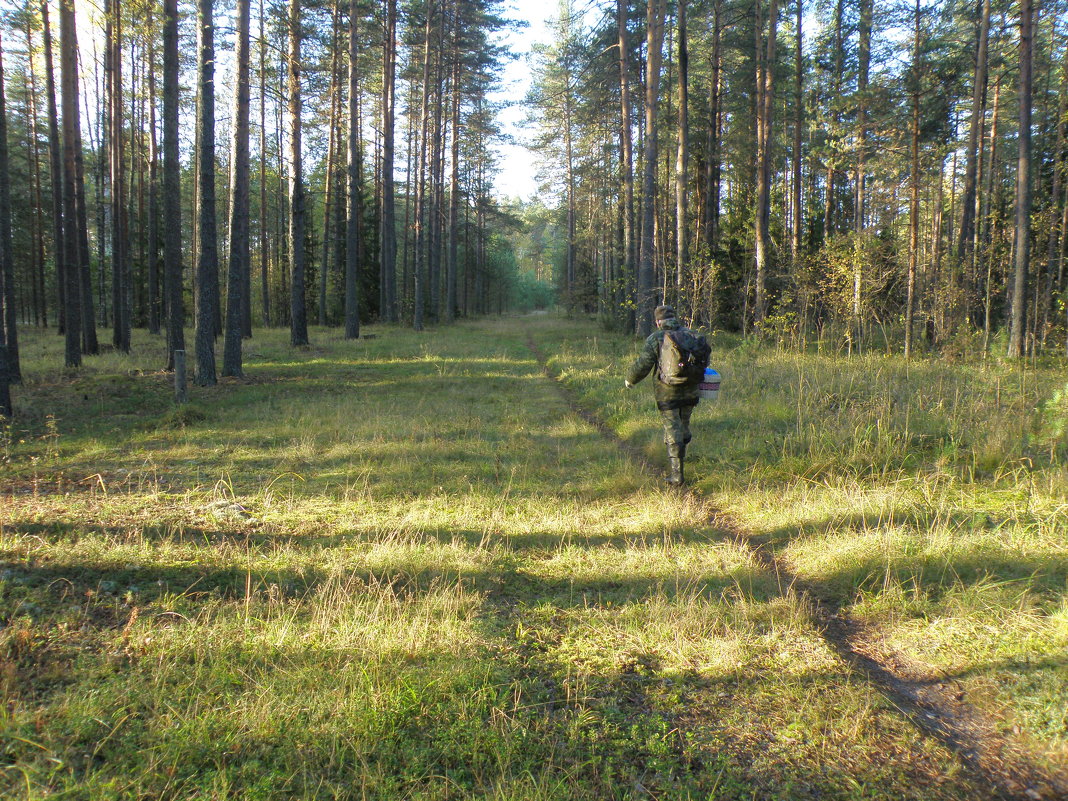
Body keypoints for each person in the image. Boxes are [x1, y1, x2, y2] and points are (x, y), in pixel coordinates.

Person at [624, 305, 705, 486]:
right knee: (683, 425)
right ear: (674, 318)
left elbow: (643, 364)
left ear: (658, 321)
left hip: (667, 392)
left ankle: (677, 475)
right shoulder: (691, 334)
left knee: (672, 429)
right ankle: (682, 454)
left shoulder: (656, 338)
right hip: (691, 389)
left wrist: (630, 380)